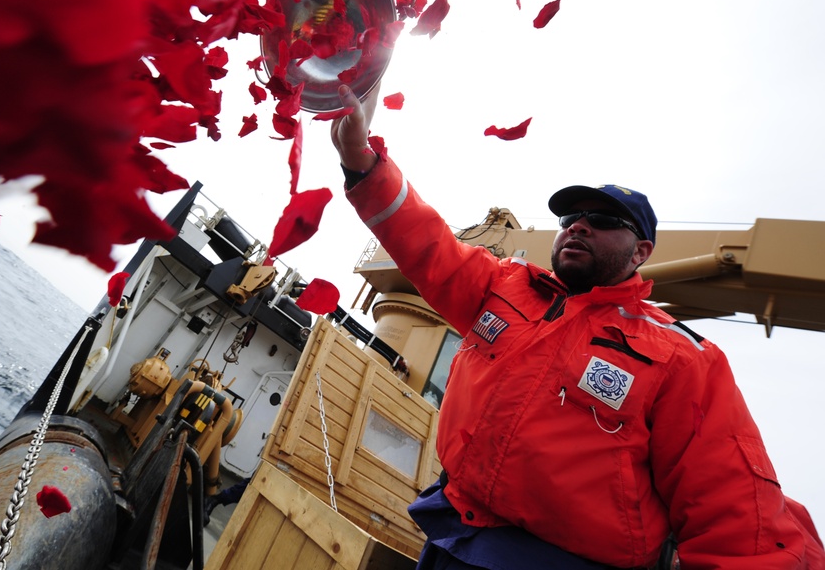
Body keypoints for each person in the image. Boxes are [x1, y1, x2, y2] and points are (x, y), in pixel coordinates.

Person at [330, 85, 825, 569]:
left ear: (641, 253)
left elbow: (734, 513)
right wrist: (360, 159)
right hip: (452, 535)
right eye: (572, 215)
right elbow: (426, 243)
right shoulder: (505, 287)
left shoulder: (682, 357)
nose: (579, 225)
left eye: (605, 220)